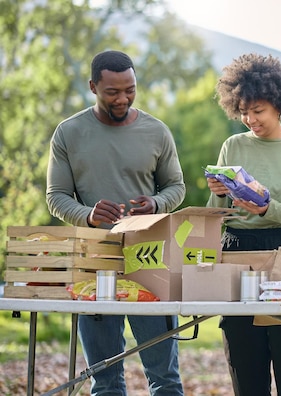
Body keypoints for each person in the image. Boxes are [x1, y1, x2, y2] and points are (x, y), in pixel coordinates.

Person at [46, 50, 185, 395]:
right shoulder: (68, 133)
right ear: (93, 86)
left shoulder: (156, 131)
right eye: (112, 92)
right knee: (104, 379)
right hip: (94, 262)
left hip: (149, 258)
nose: (122, 98)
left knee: (164, 378)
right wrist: (88, 214)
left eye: (130, 89)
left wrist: (156, 202)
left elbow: (176, 187)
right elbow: (56, 196)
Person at [206, 53, 281, 396]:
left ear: (278, 103)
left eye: (257, 111)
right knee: (246, 369)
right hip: (238, 253)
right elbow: (218, 217)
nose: (249, 119)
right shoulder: (232, 145)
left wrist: (268, 210)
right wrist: (216, 194)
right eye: (243, 111)